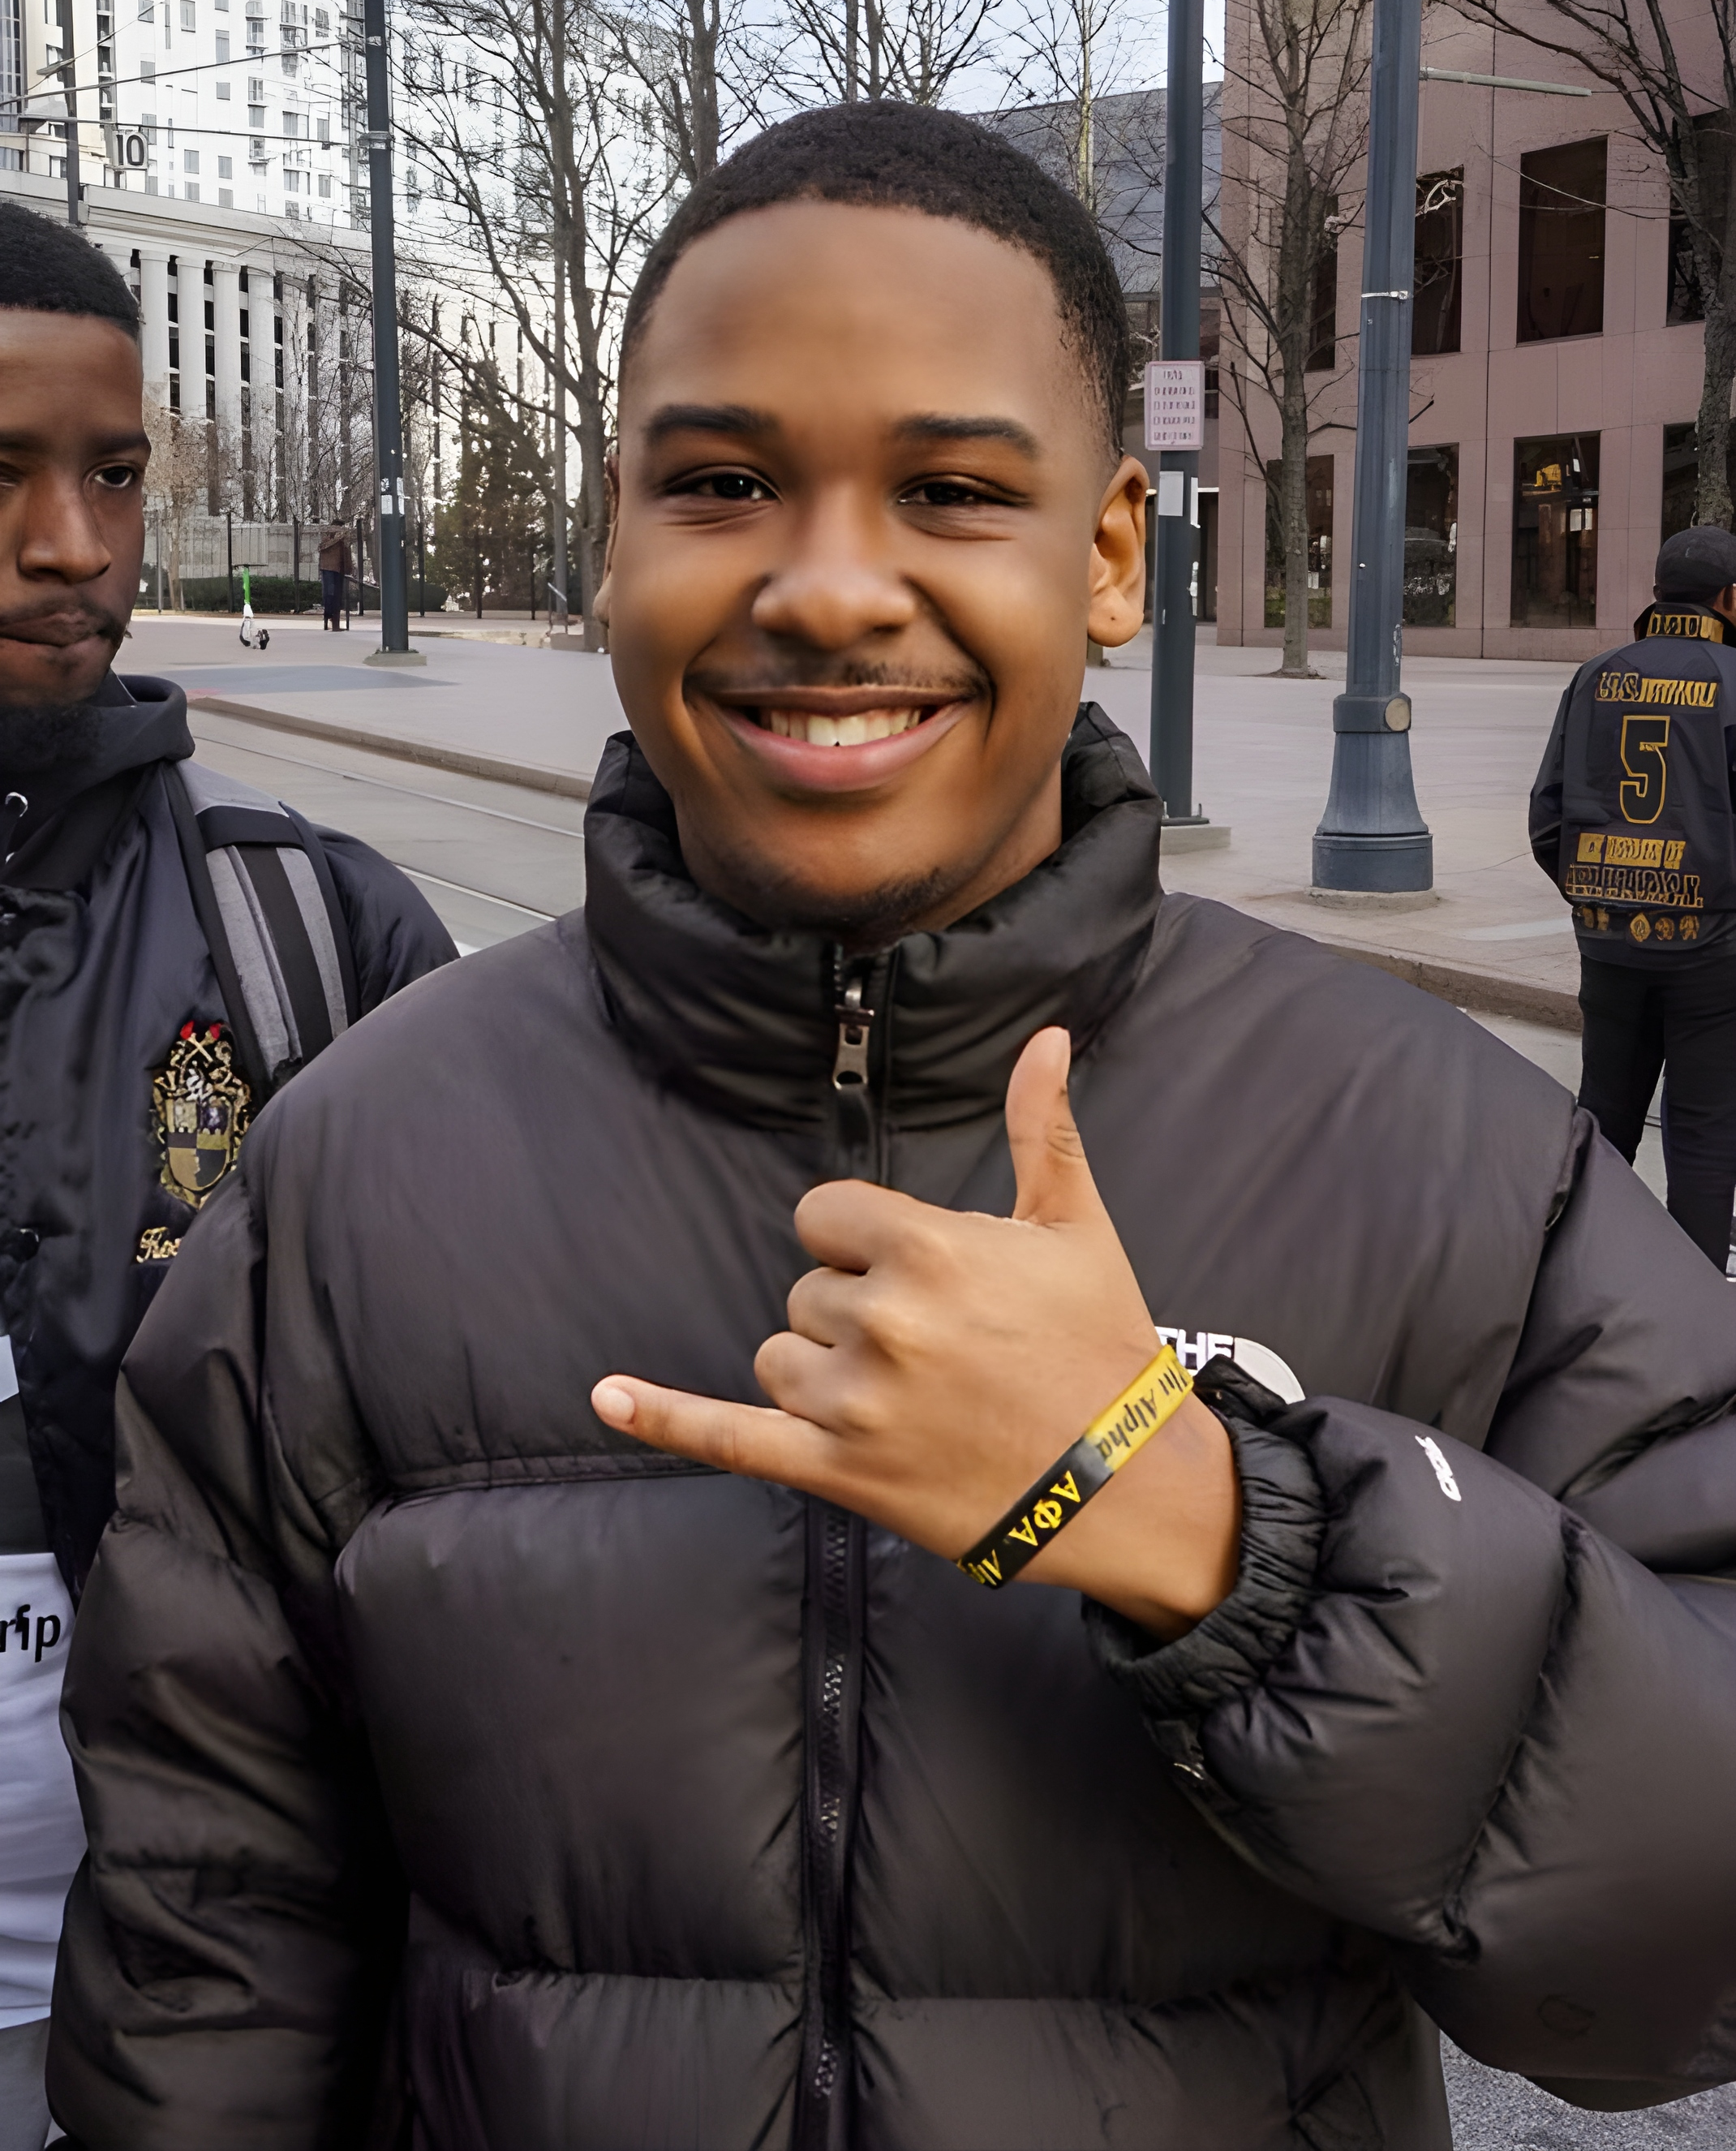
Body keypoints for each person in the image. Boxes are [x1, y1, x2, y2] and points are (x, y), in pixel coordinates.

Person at [47, 110, 1736, 2151]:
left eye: (945, 489)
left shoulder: (1450, 1161)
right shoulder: (345, 1174)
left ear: (1106, 553)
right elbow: (210, 1959)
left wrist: (1210, 1527)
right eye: (723, 481)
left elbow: (1675, 1971)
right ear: (614, 532)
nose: (829, 589)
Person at [0, 200, 454, 2151]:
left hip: (192, 2010)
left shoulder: (309, 932)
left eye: (115, 474)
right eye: (1, 475)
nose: (76, 547)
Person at [1531, 523, 1736, 1267]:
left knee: (1605, 1116)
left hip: (1609, 936)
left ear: (1656, 595)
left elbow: (1549, 813)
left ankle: (1579, 1284)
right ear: (1728, 599)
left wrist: (1598, 900)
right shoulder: (1733, 680)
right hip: (1713, 945)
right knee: (1706, 1129)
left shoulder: (1595, 676)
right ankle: (1693, 1321)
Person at [317, 523, 350, 631]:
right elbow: (321, 547)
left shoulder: (343, 539)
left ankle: (334, 620)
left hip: (339, 568)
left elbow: (346, 550)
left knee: (337, 595)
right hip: (329, 568)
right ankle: (329, 617)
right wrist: (337, 538)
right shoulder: (328, 536)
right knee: (330, 594)